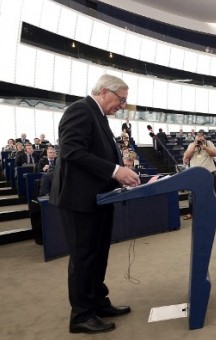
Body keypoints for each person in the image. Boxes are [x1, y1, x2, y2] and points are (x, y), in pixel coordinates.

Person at [49, 75, 140, 334]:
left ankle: (98, 303)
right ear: (103, 91)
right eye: (120, 99)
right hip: (79, 201)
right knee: (84, 258)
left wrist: (121, 173)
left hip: (99, 199)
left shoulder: (98, 116)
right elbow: (72, 151)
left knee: (98, 255)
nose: (122, 105)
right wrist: (115, 171)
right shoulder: (79, 110)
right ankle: (81, 316)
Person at [183, 131, 216, 220]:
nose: (200, 140)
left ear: (204, 138)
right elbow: (186, 157)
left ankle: (211, 211)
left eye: (201, 138)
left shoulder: (209, 143)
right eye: (198, 138)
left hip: (208, 172)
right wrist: (195, 145)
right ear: (195, 138)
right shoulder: (192, 145)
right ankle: (191, 212)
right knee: (192, 194)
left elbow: (214, 153)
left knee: (209, 193)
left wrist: (205, 147)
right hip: (195, 173)